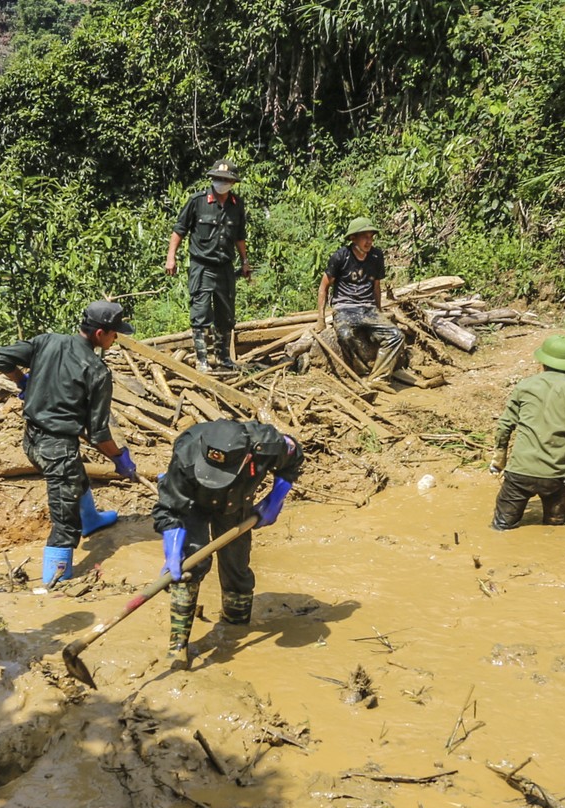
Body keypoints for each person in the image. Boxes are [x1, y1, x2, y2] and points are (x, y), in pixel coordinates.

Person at [0, 300, 140, 587]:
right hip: (57, 448)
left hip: (32, 440)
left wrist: (22, 382)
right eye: (114, 333)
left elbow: (0, 359)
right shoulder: (97, 371)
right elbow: (98, 435)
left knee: (74, 475)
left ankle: (92, 520)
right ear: (100, 334)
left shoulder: (48, 341)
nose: (116, 338)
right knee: (64, 526)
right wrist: (120, 459)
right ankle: (54, 584)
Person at [152, 419, 303, 670]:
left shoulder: (267, 444)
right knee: (189, 567)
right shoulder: (186, 452)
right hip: (193, 505)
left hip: (236, 503)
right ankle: (178, 646)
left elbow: (293, 458)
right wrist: (172, 548)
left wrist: (275, 498)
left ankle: (235, 627)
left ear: (246, 458)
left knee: (237, 565)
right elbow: (169, 509)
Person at [487, 336, 565, 528]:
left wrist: (499, 460)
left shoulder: (524, 386)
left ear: (543, 361)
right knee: (555, 526)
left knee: (501, 527)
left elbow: (505, 425)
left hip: (520, 472)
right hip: (555, 476)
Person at [165, 160, 250, 373]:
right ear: (212, 179)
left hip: (225, 267)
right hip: (201, 266)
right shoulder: (198, 201)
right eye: (218, 178)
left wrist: (245, 261)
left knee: (226, 314)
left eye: (226, 179)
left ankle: (223, 358)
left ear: (232, 182)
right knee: (200, 312)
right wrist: (171, 257)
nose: (222, 182)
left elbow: (239, 236)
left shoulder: (236, 204)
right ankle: (202, 360)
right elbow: (179, 230)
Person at [317, 218, 406, 388]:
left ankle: (378, 378)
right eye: (364, 237)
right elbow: (324, 286)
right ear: (353, 238)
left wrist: (379, 311)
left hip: (368, 308)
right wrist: (320, 318)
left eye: (371, 237)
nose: (369, 241)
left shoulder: (376, 256)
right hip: (345, 308)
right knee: (345, 335)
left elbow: (376, 286)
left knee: (396, 336)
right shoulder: (340, 257)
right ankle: (362, 372)